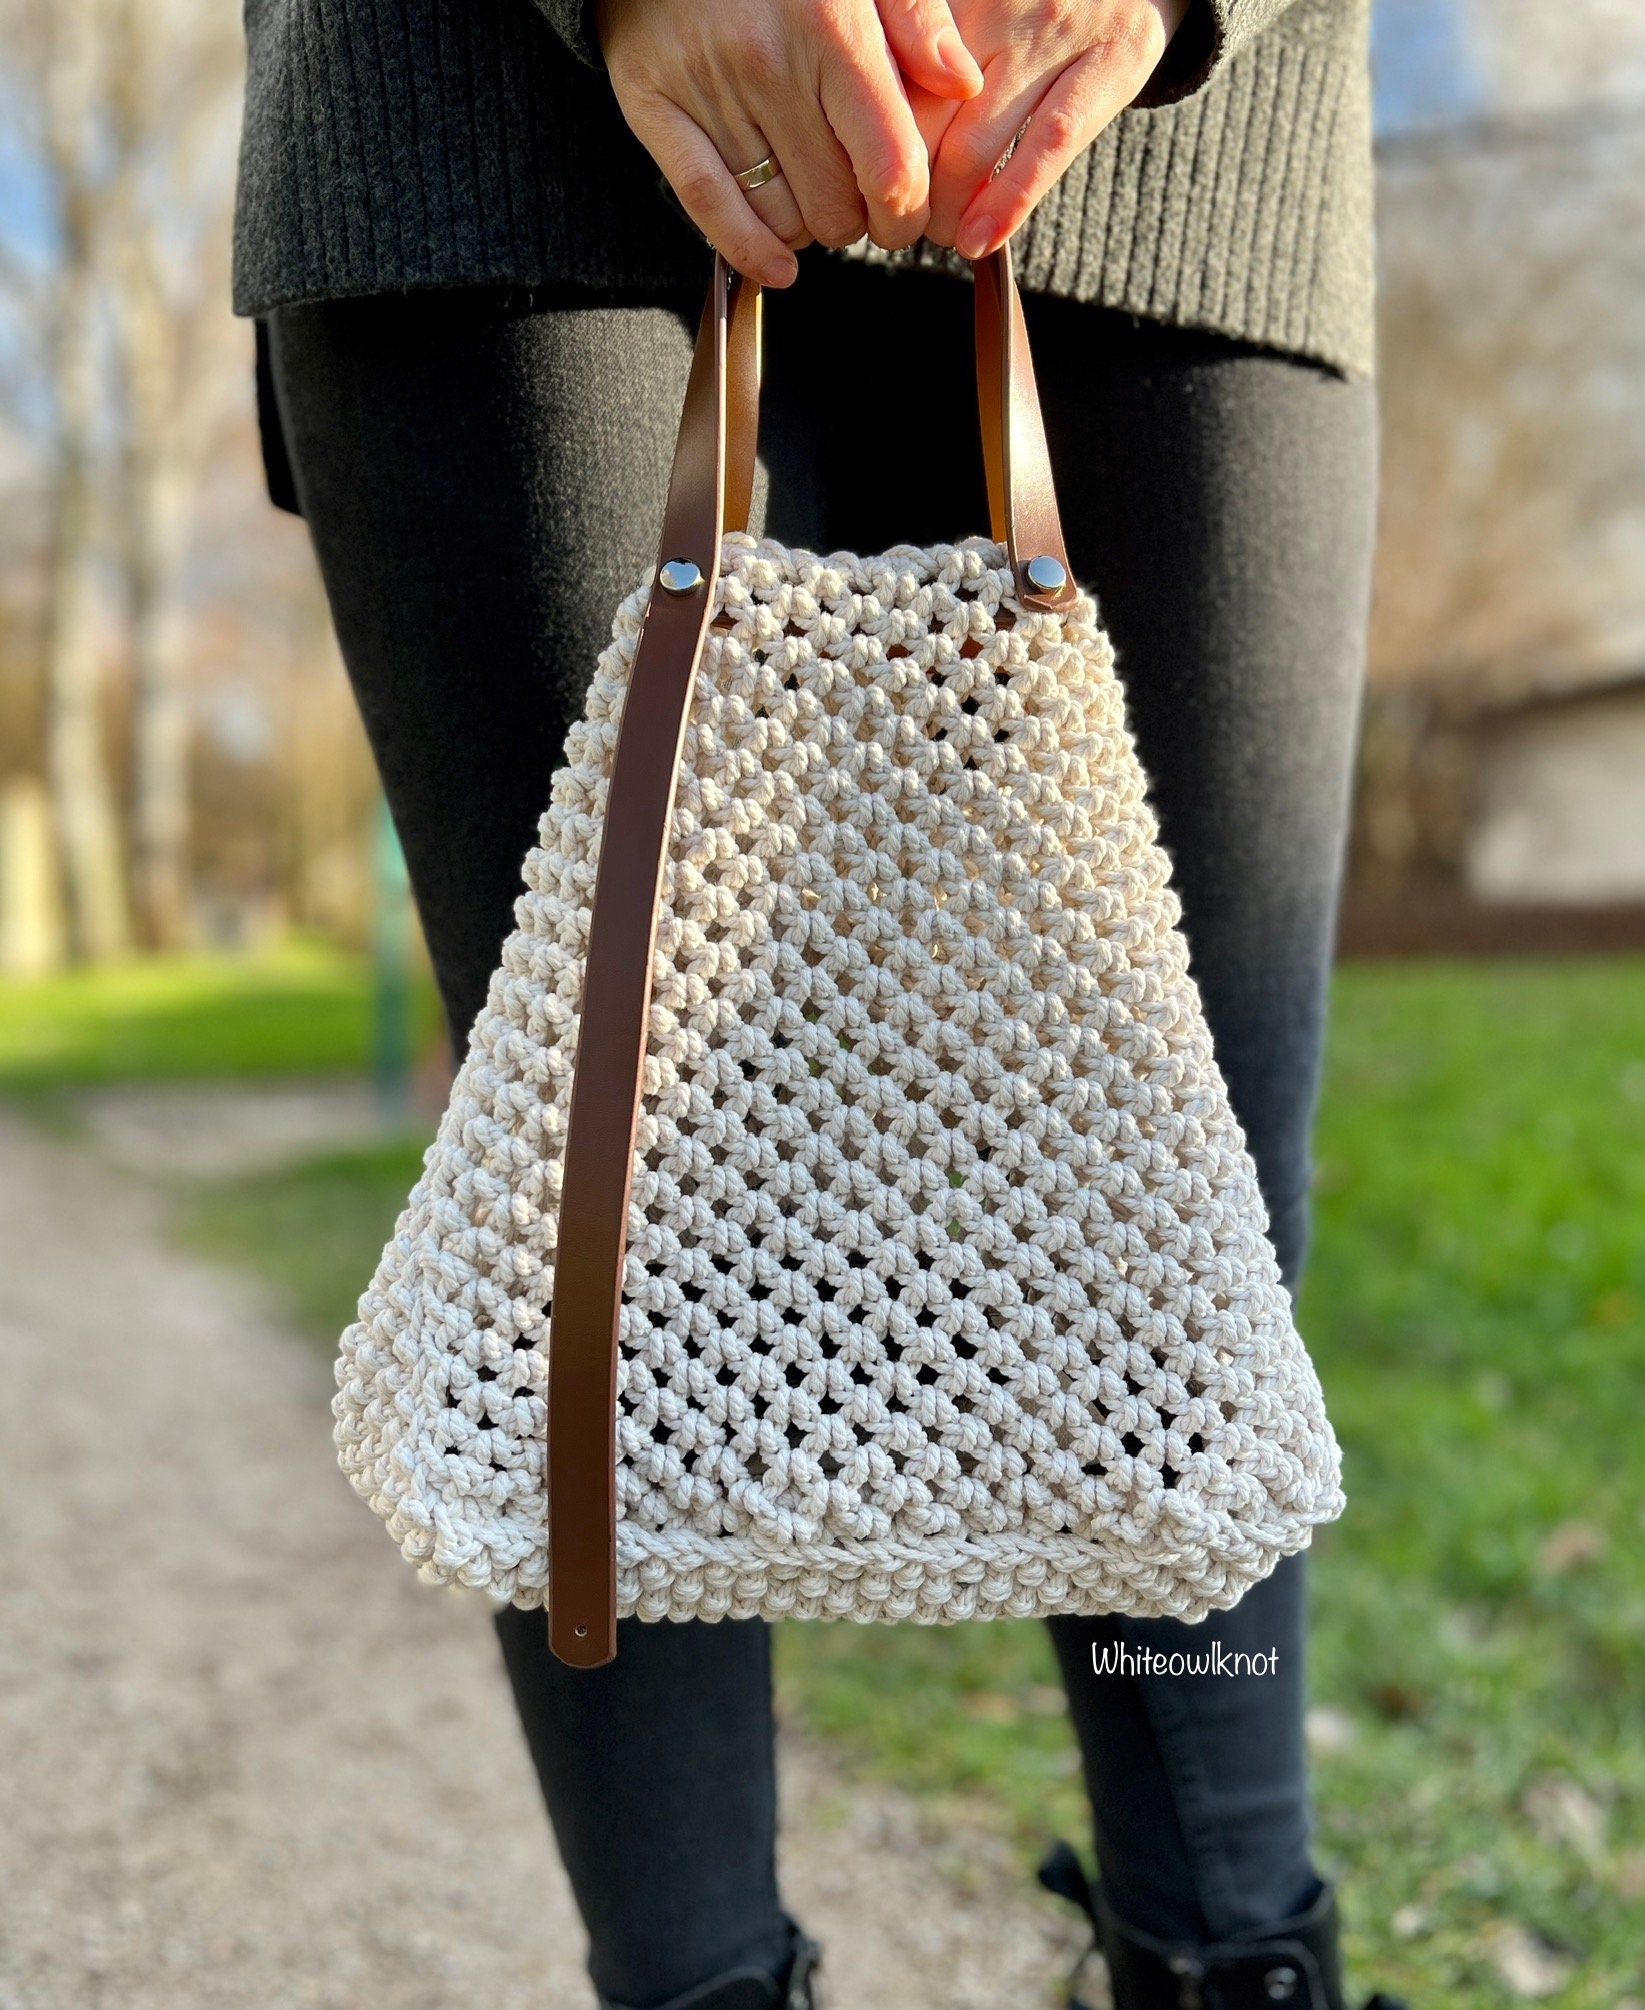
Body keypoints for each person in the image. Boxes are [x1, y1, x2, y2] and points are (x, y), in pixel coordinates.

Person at [234, 0, 1405, 2004]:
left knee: (1186, 1207)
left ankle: (1228, 1969)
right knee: (587, 1210)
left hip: (1174, 145)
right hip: (481, 94)